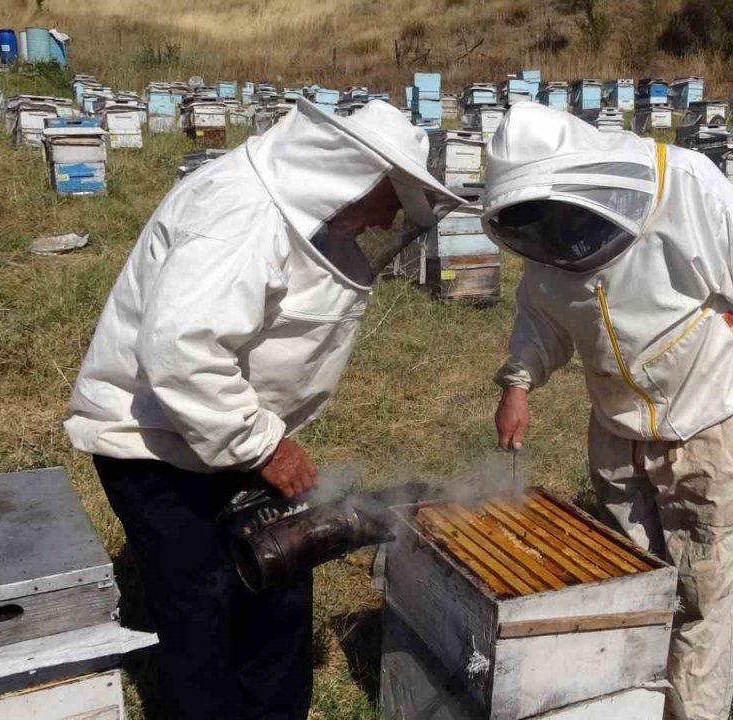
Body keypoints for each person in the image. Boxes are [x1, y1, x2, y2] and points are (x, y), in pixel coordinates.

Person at [64, 99, 462, 720]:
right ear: (354, 177)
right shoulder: (241, 213)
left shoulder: (289, 213)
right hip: (156, 446)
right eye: (391, 197)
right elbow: (181, 351)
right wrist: (265, 446)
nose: (389, 218)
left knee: (280, 580)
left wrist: (257, 443)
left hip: (229, 435)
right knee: (201, 612)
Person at [484, 103, 733, 720]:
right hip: (615, 430)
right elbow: (541, 312)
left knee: (706, 593)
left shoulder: (686, 182)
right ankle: (631, 700)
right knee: (632, 581)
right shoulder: (544, 223)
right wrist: (519, 383)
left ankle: (692, 713)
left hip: (704, 420)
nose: (554, 236)